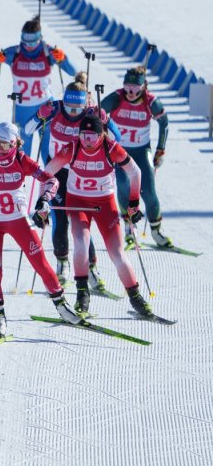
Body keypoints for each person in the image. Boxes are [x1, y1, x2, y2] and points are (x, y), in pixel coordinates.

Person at [0, 122, 83, 338]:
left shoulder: (21, 160)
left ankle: (61, 305)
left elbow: (51, 180)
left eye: (3, 146)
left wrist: (44, 198)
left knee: (40, 263)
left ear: (13, 145)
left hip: (18, 220)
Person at [44, 115, 154, 318]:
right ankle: (82, 295)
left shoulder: (110, 148)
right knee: (80, 244)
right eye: (84, 135)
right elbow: (48, 172)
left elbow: (135, 172)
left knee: (118, 254)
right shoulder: (72, 147)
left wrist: (133, 203)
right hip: (77, 202)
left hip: (105, 204)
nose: (87, 140)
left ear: (101, 135)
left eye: (92, 136)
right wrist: (43, 199)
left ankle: (136, 297)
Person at [23, 72, 120, 289]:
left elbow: (116, 140)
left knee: (81, 222)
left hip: (79, 174)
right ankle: (63, 263)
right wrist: (39, 115)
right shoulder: (55, 108)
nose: (73, 113)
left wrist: (105, 122)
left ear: (85, 104)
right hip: (56, 173)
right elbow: (27, 130)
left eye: (77, 109)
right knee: (59, 219)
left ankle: (91, 269)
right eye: (69, 107)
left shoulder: (91, 116)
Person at [0, 16, 76, 156]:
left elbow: (73, 72)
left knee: (48, 153)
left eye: (33, 43)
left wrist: (63, 58)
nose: (29, 47)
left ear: (40, 39)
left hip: (47, 106)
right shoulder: (14, 53)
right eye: (26, 42)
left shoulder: (48, 52)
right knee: (23, 154)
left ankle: (51, 178)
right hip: (22, 109)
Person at [101, 66, 172, 248]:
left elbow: (164, 122)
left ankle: (157, 231)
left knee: (148, 190)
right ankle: (129, 228)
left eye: (135, 88)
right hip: (120, 151)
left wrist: (160, 149)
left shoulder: (150, 101)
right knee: (124, 185)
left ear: (143, 87)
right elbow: (97, 114)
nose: (130, 92)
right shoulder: (117, 97)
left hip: (141, 151)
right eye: (127, 87)